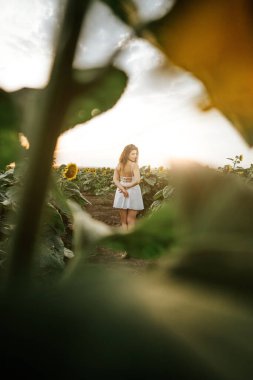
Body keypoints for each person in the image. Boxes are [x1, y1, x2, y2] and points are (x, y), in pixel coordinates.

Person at [113, 144, 144, 231]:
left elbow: (115, 179)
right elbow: (137, 180)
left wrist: (122, 188)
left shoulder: (119, 165)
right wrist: (126, 187)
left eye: (136, 153)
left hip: (120, 191)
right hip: (133, 191)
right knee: (131, 220)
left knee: (123, 221)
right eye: (133, 154)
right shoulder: (134, 165)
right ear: (127, 154)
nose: (135, 156)